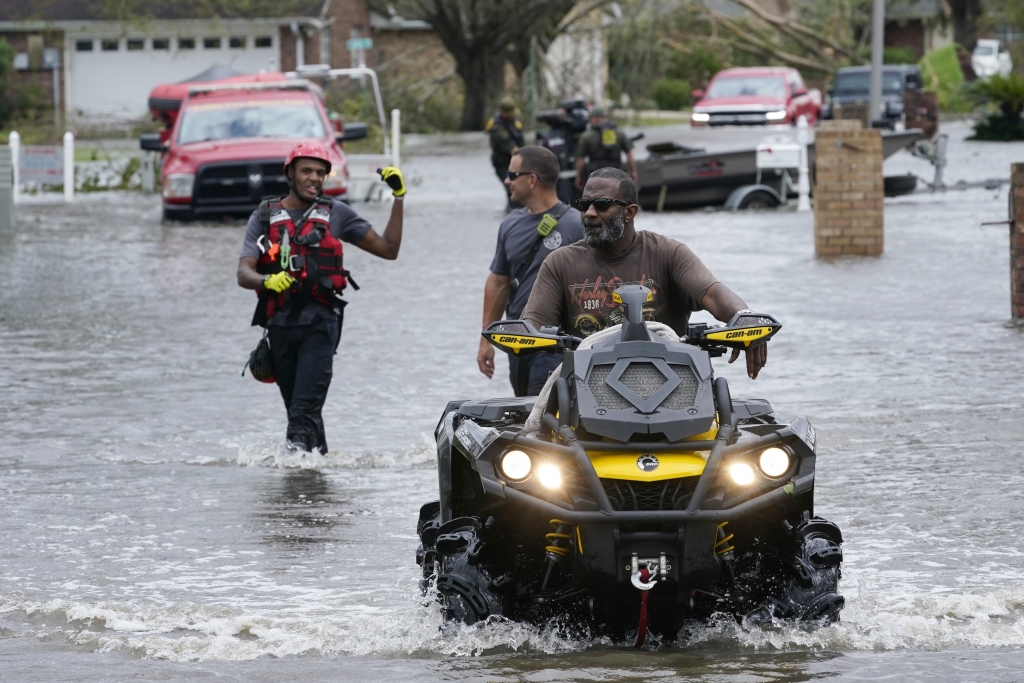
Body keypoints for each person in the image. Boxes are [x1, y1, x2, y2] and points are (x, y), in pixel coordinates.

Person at [236, 142, 407, 453]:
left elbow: (389, 250)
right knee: (300, 413)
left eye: (320, 173)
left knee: (302, 415)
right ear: (290, 173)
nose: (314, 178)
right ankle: (318, 481)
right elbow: (243, 273)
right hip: (278, 328)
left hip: (320, 327)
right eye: (306, 171)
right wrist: (266, 279)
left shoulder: (336, 214)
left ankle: (292, 485)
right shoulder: (263, 216)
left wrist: (398, 198)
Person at [523, 167, 768, 379]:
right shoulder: (559, 262)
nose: (589, 213)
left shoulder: (668, 253)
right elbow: (532, 324)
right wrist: (518, 334)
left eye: (601, 205)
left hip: (672, 380)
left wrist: (745, 318)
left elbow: (713, 294)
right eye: (584, 204)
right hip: (587, 385)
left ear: (629, 212)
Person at [478, 146, 584, 396]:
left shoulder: (577, 225)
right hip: (518, 343)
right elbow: (498, 283)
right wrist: (486, 341)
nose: (507, 181)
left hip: (556, 345)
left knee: (542, 409)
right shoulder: (509, 224)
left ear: (532, 180)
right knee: (527, 412)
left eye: (512, 175)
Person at [574, 106, 638, 191]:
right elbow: (629, 154)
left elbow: (581, 159)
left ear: (594, 118)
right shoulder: (619, 133)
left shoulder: (586, 136)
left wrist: (579, 176)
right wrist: (632, 171)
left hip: (595, 175)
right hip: (617, 174)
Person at [486, 98, 526, 210]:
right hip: (503, 163)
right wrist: (528, 161)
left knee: (517, 190)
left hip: (514, 161)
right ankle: (514, 213)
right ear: (503, 112)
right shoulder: (498, 129)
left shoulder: (512, 122)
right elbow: (513, 149)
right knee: (512, 189)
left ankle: (515, 210)